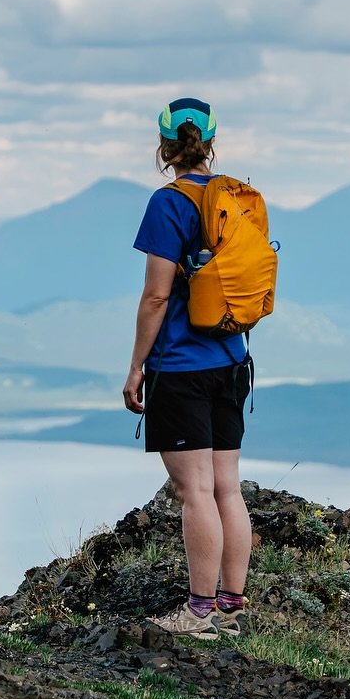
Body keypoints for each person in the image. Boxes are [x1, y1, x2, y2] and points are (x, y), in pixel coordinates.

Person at [123, 97, 253, 640]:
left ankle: (199, 613)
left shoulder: (168, 203)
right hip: (232, 359)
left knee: (193, 491)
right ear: (211, 142)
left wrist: (136, 369)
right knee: (227, 487)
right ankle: (232, 603)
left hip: (180, 366)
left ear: (164, 146)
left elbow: (156, 297)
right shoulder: (236, 199)